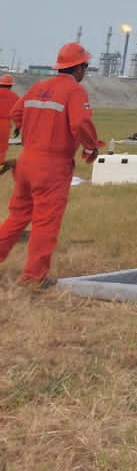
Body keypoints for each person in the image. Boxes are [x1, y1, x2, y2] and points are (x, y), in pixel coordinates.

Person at [0, 43, 100, 289]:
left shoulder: (38, 87)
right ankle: (34, 277)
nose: (85, 70)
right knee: (46, 221)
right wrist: (91, 147)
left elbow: (16, 112)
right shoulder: (74, 91)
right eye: (85, 65)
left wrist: (32, 134)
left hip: (26, 162)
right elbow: (81, 123)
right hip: (52, 166)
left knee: (17, 217)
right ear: (78, 68)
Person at [0, 74, 19, 161]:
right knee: (2, 148)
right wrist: (18, 127)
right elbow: (18, 113)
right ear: (11, 85)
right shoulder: (15, 97)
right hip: (5, 125)